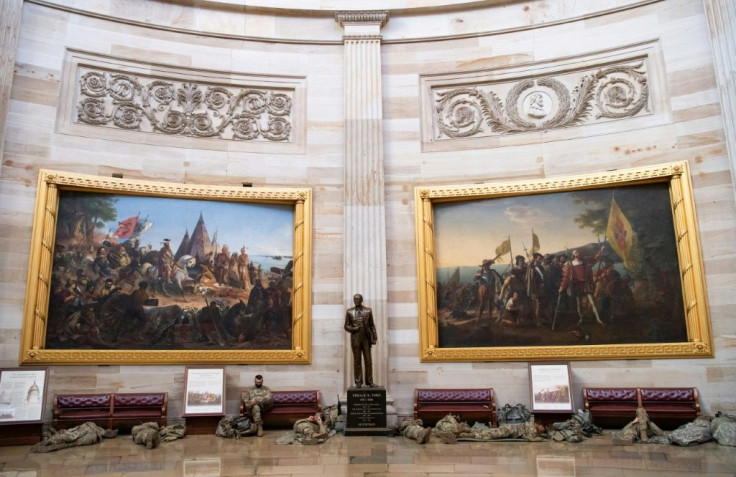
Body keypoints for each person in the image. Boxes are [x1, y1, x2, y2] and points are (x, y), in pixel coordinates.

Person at [558, 246, 606, 326]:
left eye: (578, 252)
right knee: (579, 303)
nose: (578, 253)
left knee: (592, 302)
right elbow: (565, 277)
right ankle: (581, 318)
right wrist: (562, 287)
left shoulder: (586, 261)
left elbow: (595, 259)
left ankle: (598, 319)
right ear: (573, 255)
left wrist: (601, 251)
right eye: (576, 252)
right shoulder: (570, 264)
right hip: (577, 285)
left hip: (586, 284)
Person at [344, 294, 377, 388]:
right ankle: (358, 382)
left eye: (358, 299)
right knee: (357, 361)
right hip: (356, 339)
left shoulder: (368, 310)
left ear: (361, 300)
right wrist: (353, 329)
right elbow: (346, 326)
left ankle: (369, 381)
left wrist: (374, 337)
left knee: (368, 361)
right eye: (355, 299)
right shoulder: (349, 311)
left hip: (366, 339)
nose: (356, 301)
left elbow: (372, 325)